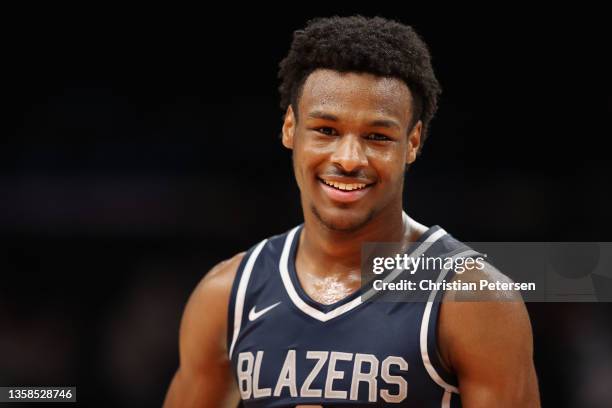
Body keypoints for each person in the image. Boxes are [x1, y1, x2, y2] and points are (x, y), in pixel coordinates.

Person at [163, 15, 540, 407]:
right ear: (290, 128)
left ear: (412, 143)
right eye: (326, 130)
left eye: (377, 137)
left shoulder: (472, 299)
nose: (348, 158)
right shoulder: (227, 295)